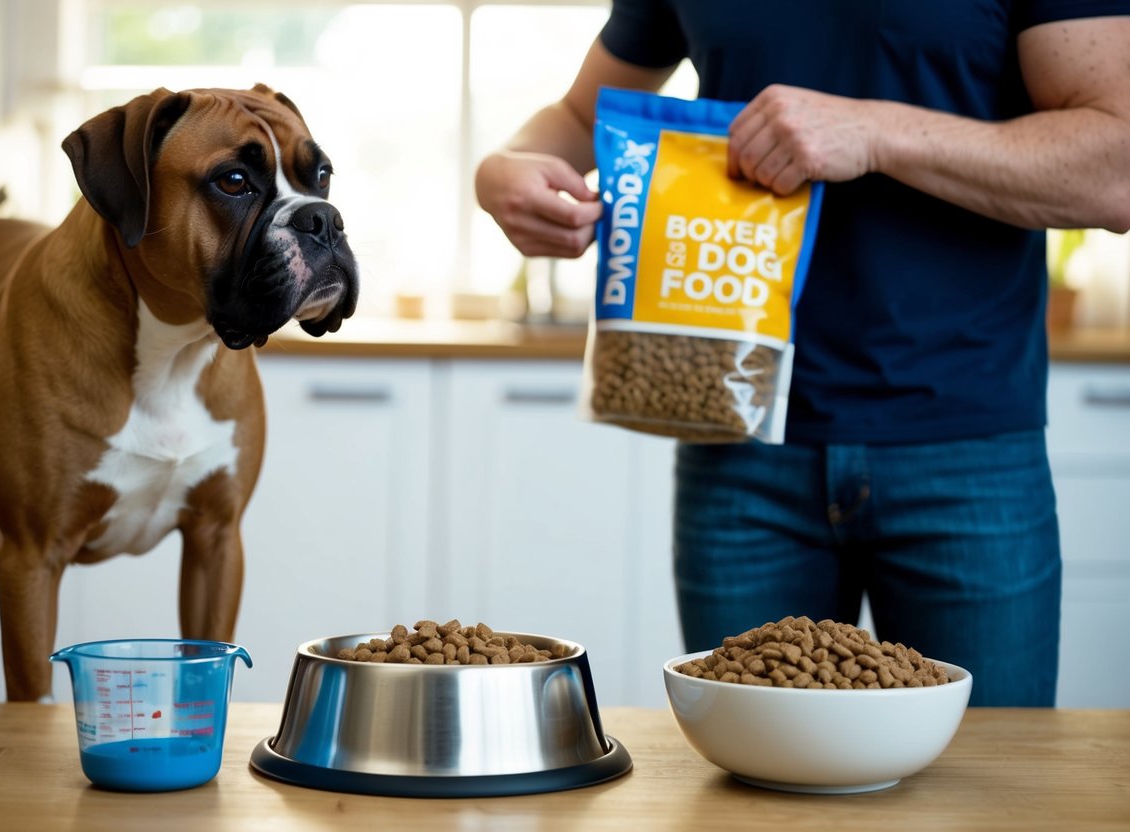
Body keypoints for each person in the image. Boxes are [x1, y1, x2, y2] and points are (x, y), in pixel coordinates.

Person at [474, 1, 1130, 707]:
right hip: (738, 443)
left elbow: (1113, 168)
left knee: (991, 793)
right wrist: (501, 170)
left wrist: (875, 132)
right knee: (750, 794)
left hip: (966, 451)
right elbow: (577, 117)